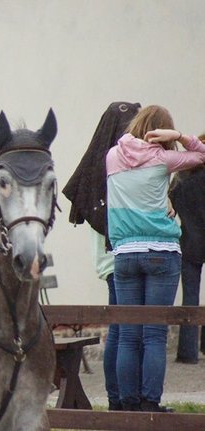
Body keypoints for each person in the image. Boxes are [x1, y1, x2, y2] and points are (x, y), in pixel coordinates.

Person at [106, 105, 205, 412]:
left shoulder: (112, 156)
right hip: (161, 252)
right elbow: (202, 156)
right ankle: (150, 405)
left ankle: (128, 405)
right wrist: (180, 136)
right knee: (154, 335)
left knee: (128, 335)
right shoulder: (164, 159)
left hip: (124, 254)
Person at [62, 101, 140, 411]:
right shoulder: (109, 165)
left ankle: (120, 399)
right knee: (122, 330)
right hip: (115, 258)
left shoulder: (108, 162)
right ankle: (118, 400)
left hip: (117, 257)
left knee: (122, 329)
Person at [169, 135, 205, 364]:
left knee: (189, 298)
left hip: (189, 241)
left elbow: (169, 207)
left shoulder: (181, 177)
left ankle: (187, 352)